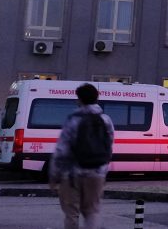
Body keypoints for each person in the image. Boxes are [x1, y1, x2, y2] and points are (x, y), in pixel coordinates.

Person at [49, 83, 115, 229]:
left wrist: (54, 175)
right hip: (96, 173)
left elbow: (61, 150)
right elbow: (109, 146)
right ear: (96, 98)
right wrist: (103, 171)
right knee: (92, 212)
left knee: (71, 213)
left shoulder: (73, 119)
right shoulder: (106, 120)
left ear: (79, 99)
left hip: (72, 175)